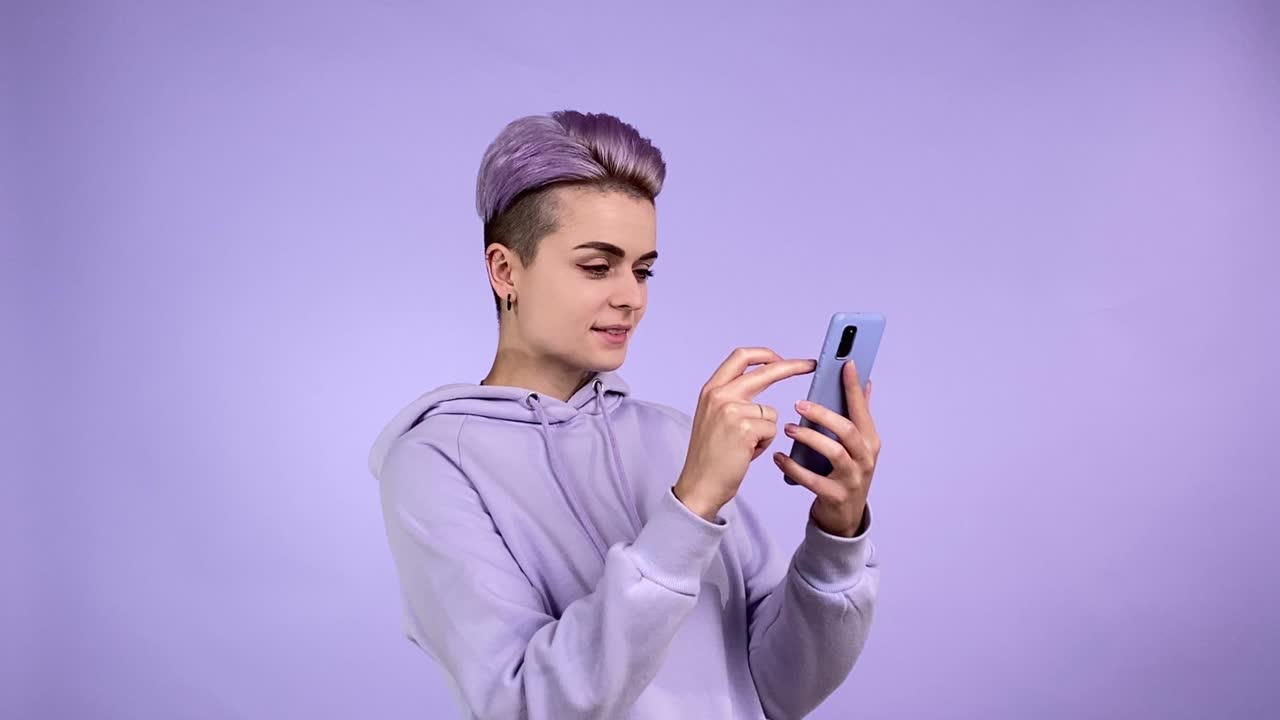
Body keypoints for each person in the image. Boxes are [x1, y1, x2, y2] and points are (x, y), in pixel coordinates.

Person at [368, 110, 882, 720]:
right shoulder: (433, 464)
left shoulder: (671, 436)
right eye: (596, 266)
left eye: (643, 270)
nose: (631, 297)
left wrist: (837, 531)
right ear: (506, 271)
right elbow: (531, 706)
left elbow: (779, 690)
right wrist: (689, 509)